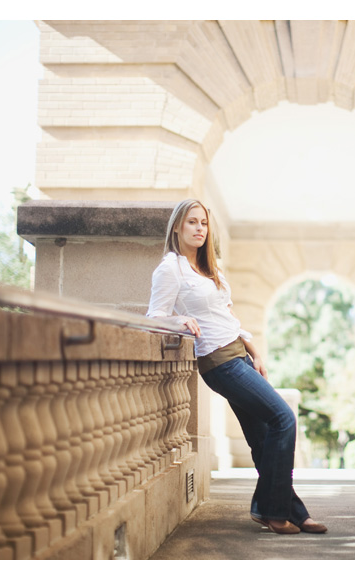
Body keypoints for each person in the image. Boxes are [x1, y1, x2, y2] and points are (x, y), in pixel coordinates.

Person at [147, 199, 327, 535]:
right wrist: (179, 319)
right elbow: (154, 317)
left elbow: (228, 317)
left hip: (238, 355)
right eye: (192, 222)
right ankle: (273, 512)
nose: (200, 228)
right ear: (176, 227)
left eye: (204, 223)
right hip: (220, 363)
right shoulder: (170, 268)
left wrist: (254, 350)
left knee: (262, 439)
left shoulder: (209, 267)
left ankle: (293, 511)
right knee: (283, 419)